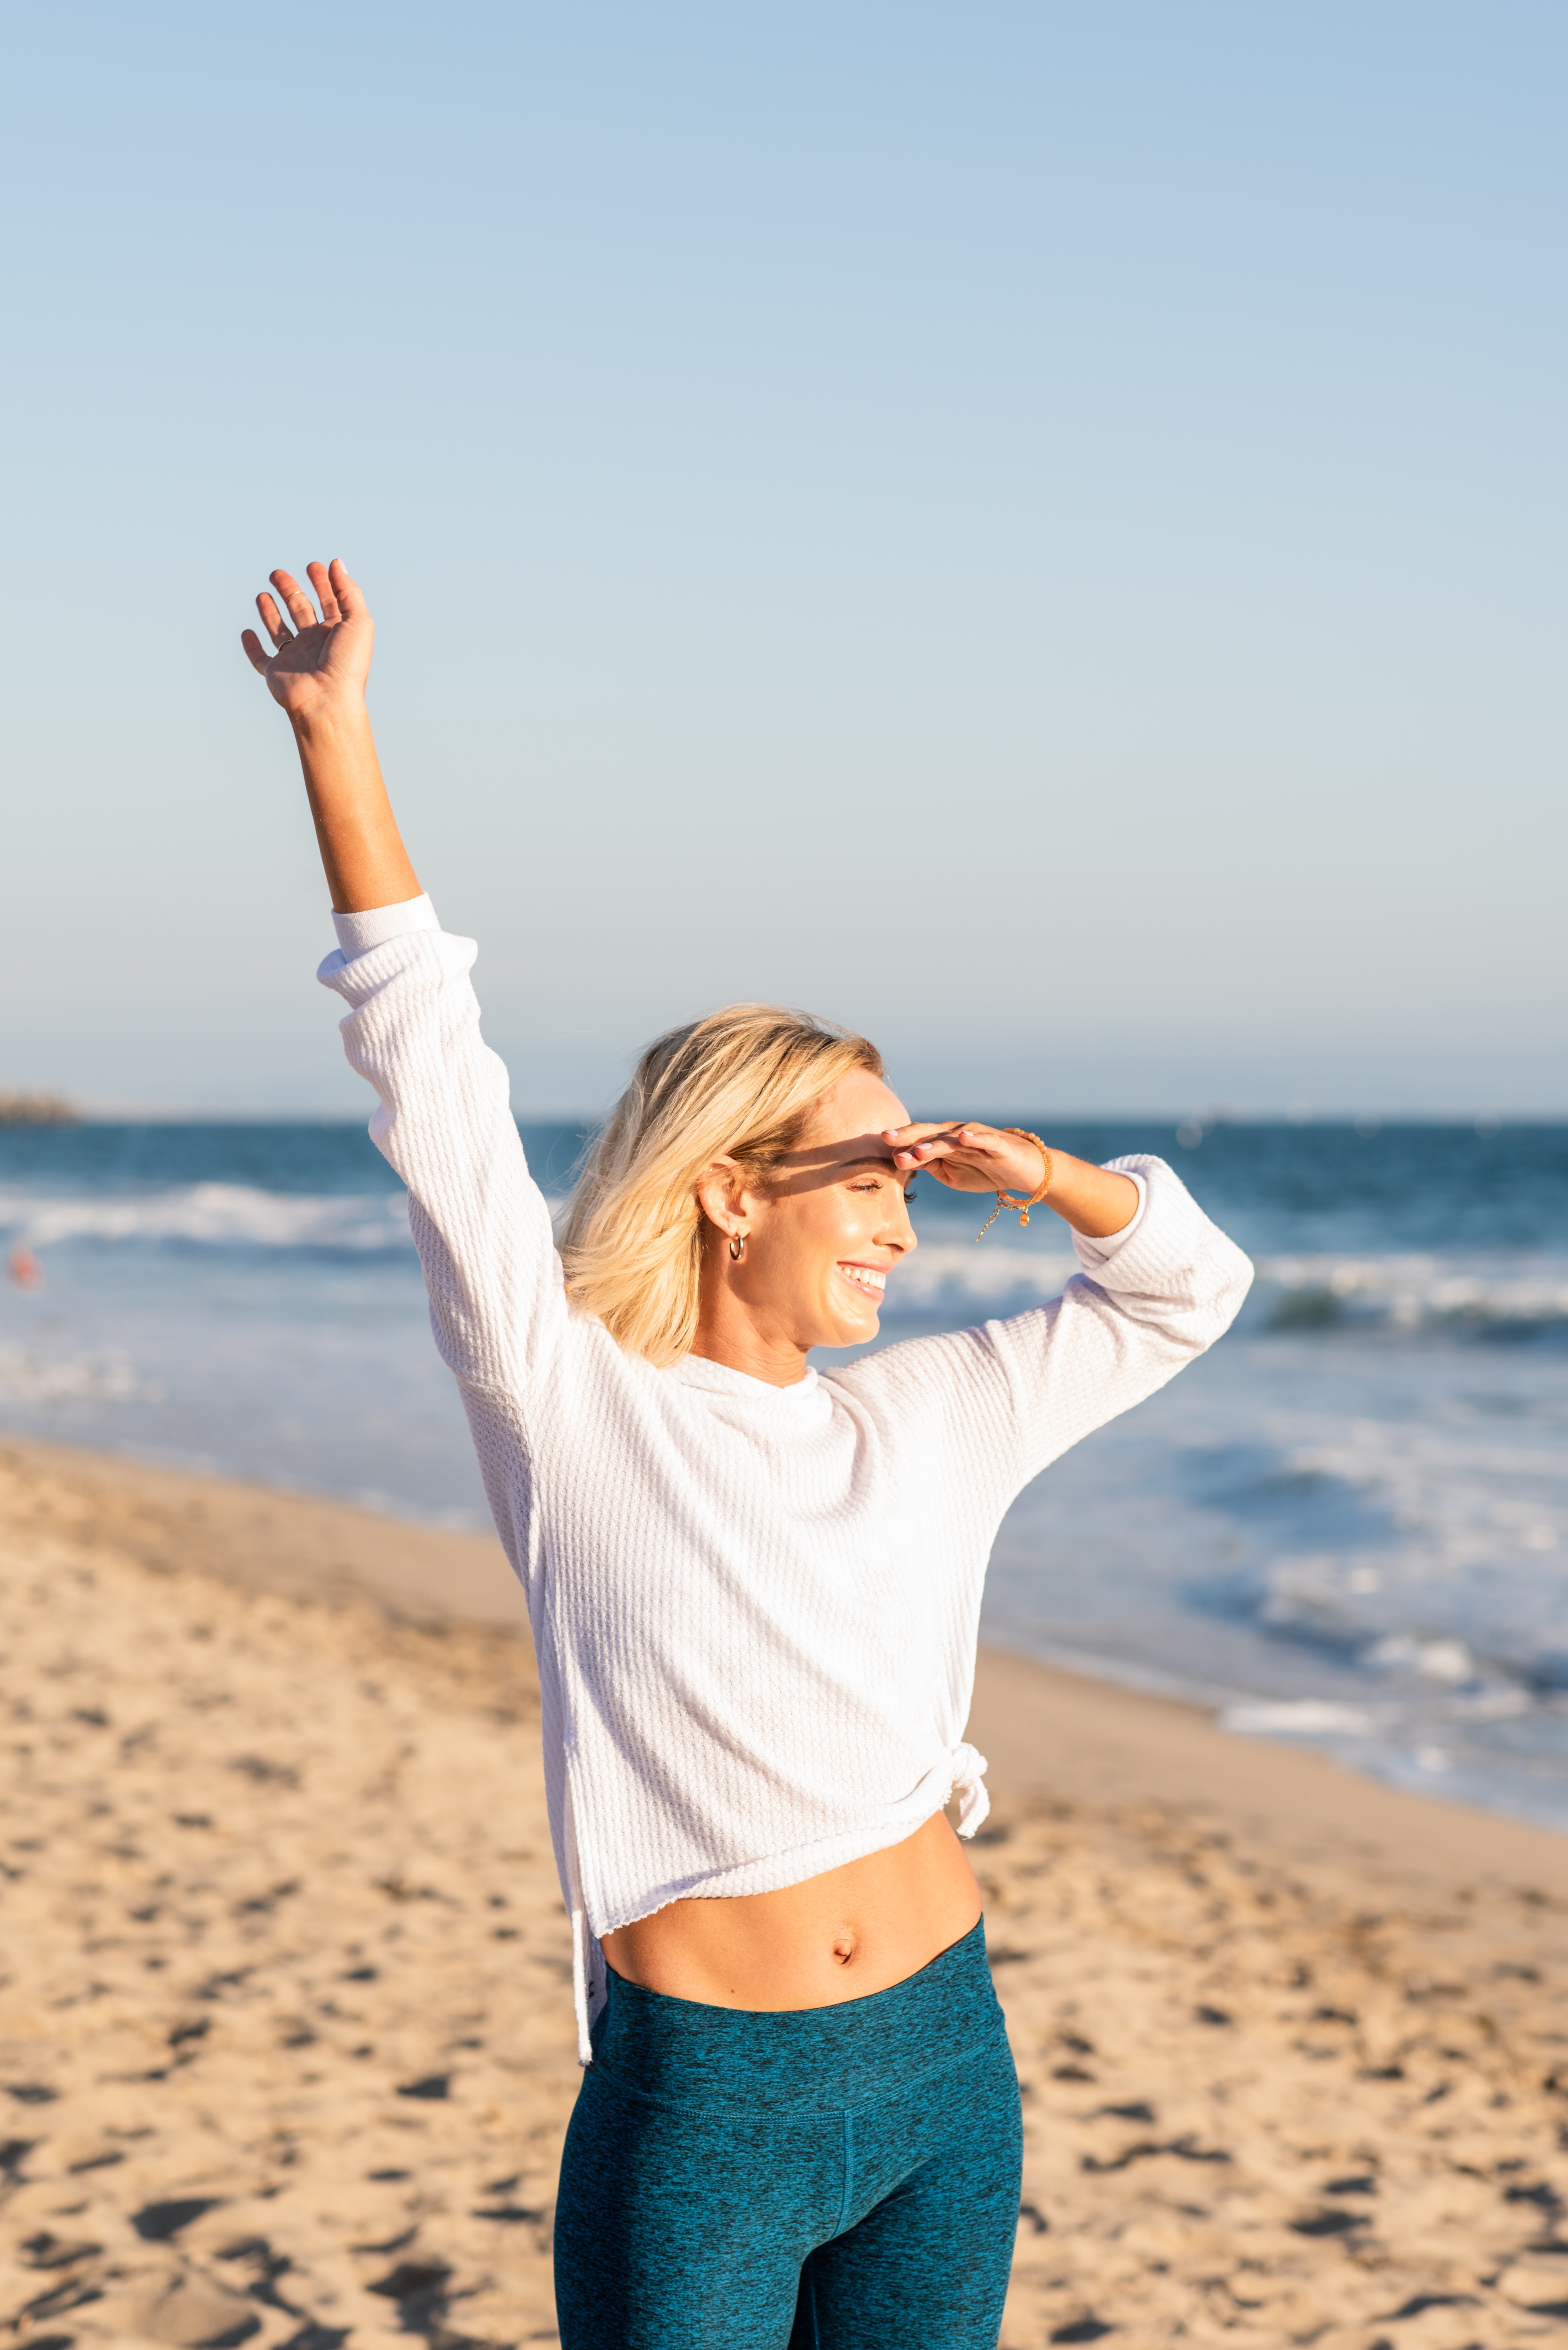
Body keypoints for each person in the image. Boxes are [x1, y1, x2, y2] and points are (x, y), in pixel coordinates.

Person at [243, 559, 1253, 2350]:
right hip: (706, 2111)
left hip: (950, 2071)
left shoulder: (931, 1417)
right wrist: (339, 738)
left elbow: (1187, 1292)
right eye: (866, 1176)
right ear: (726, 1192)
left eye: (912, 1179)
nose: (902, 1224)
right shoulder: (574, 1415)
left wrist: (1044, 1171)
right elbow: (431, 1069)